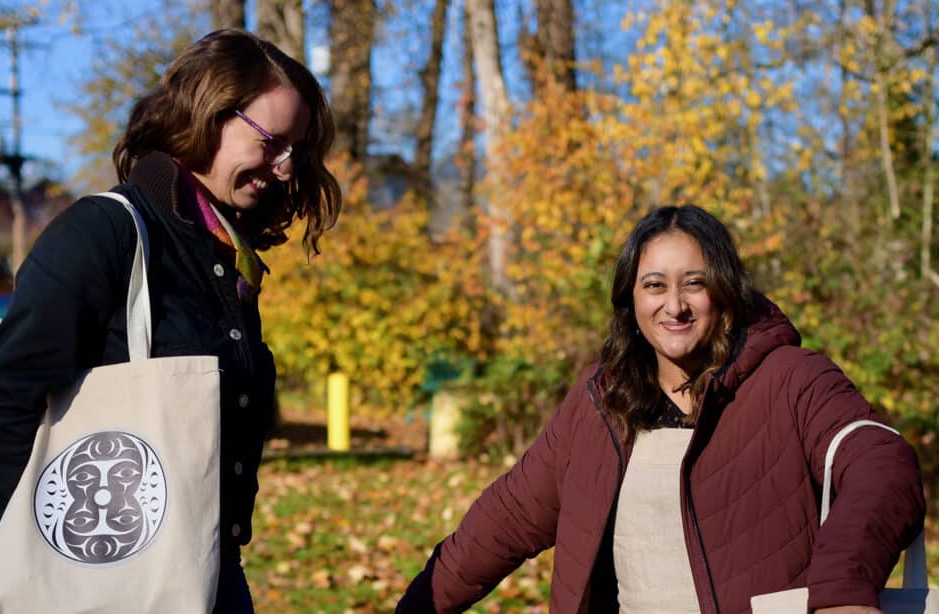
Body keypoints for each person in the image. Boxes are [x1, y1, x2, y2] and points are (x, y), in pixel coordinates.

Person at [0, 29, 341, 613]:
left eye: (298, 150)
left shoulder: (223, 255)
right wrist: (52, 548)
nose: (287, 169)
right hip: (111, 585)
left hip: (207, 574)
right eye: (272, 142)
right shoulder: (104, 234)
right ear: (208, 114)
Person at [396, 205, 925, 614]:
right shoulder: (598, 404)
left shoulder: (792, 378)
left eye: (694, 283)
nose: (674, 305)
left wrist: (841, 589)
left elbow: (882, 464)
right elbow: (505, 520)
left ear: (725, 291)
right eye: (654, 286)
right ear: (631, 298)